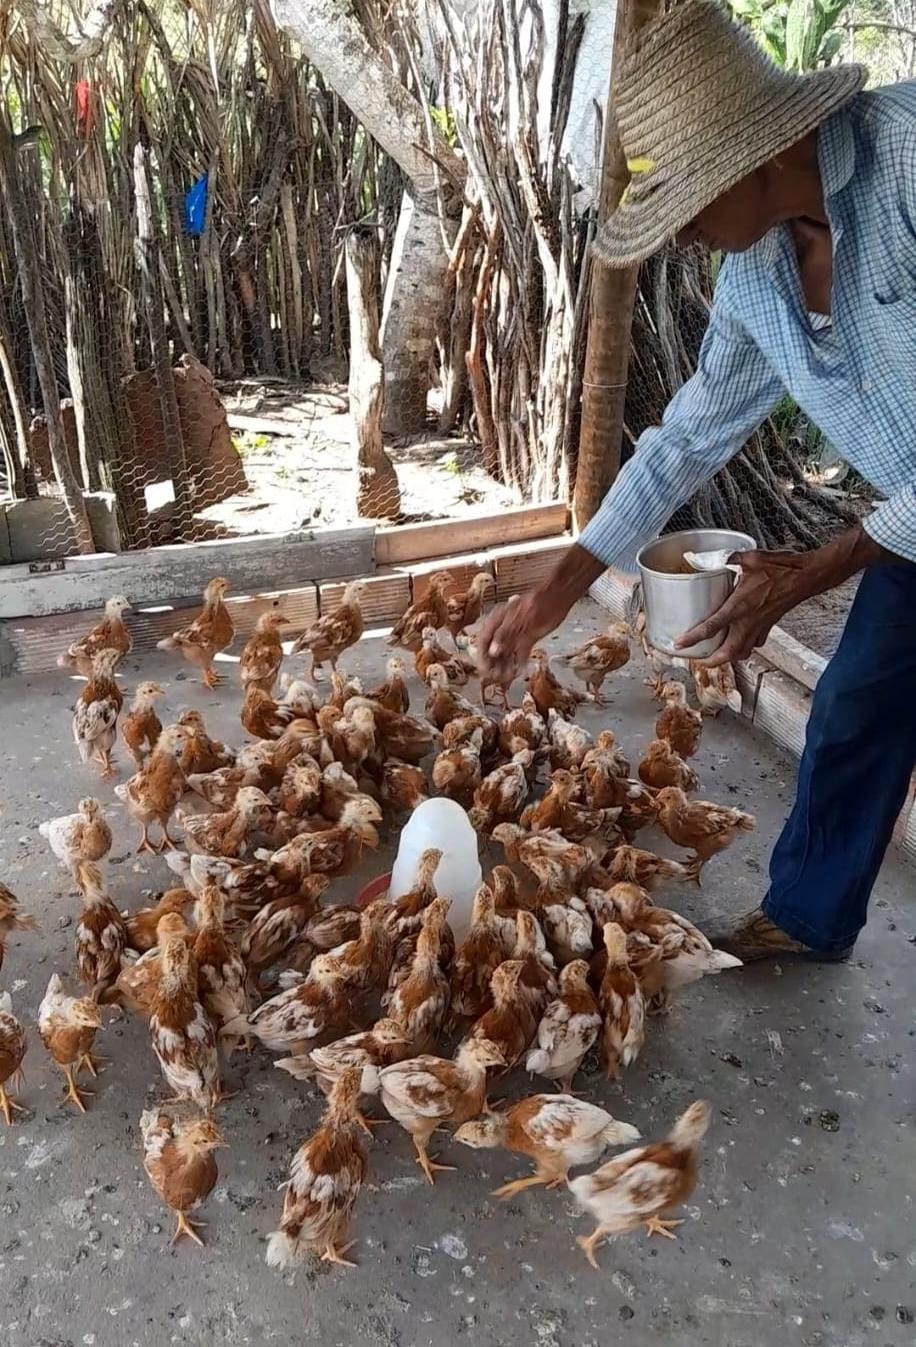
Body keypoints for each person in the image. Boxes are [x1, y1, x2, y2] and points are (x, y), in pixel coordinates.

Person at [478, 0, 916, 963]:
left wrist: (807, 573)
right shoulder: (757, 271)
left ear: (755, 162)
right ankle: (807, 917)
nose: (678, 239)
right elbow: (685, 439)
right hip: (909, 524)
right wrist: (557, 591)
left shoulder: (909, 163)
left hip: (901, 522)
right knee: (852, 708)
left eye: (686, 210)